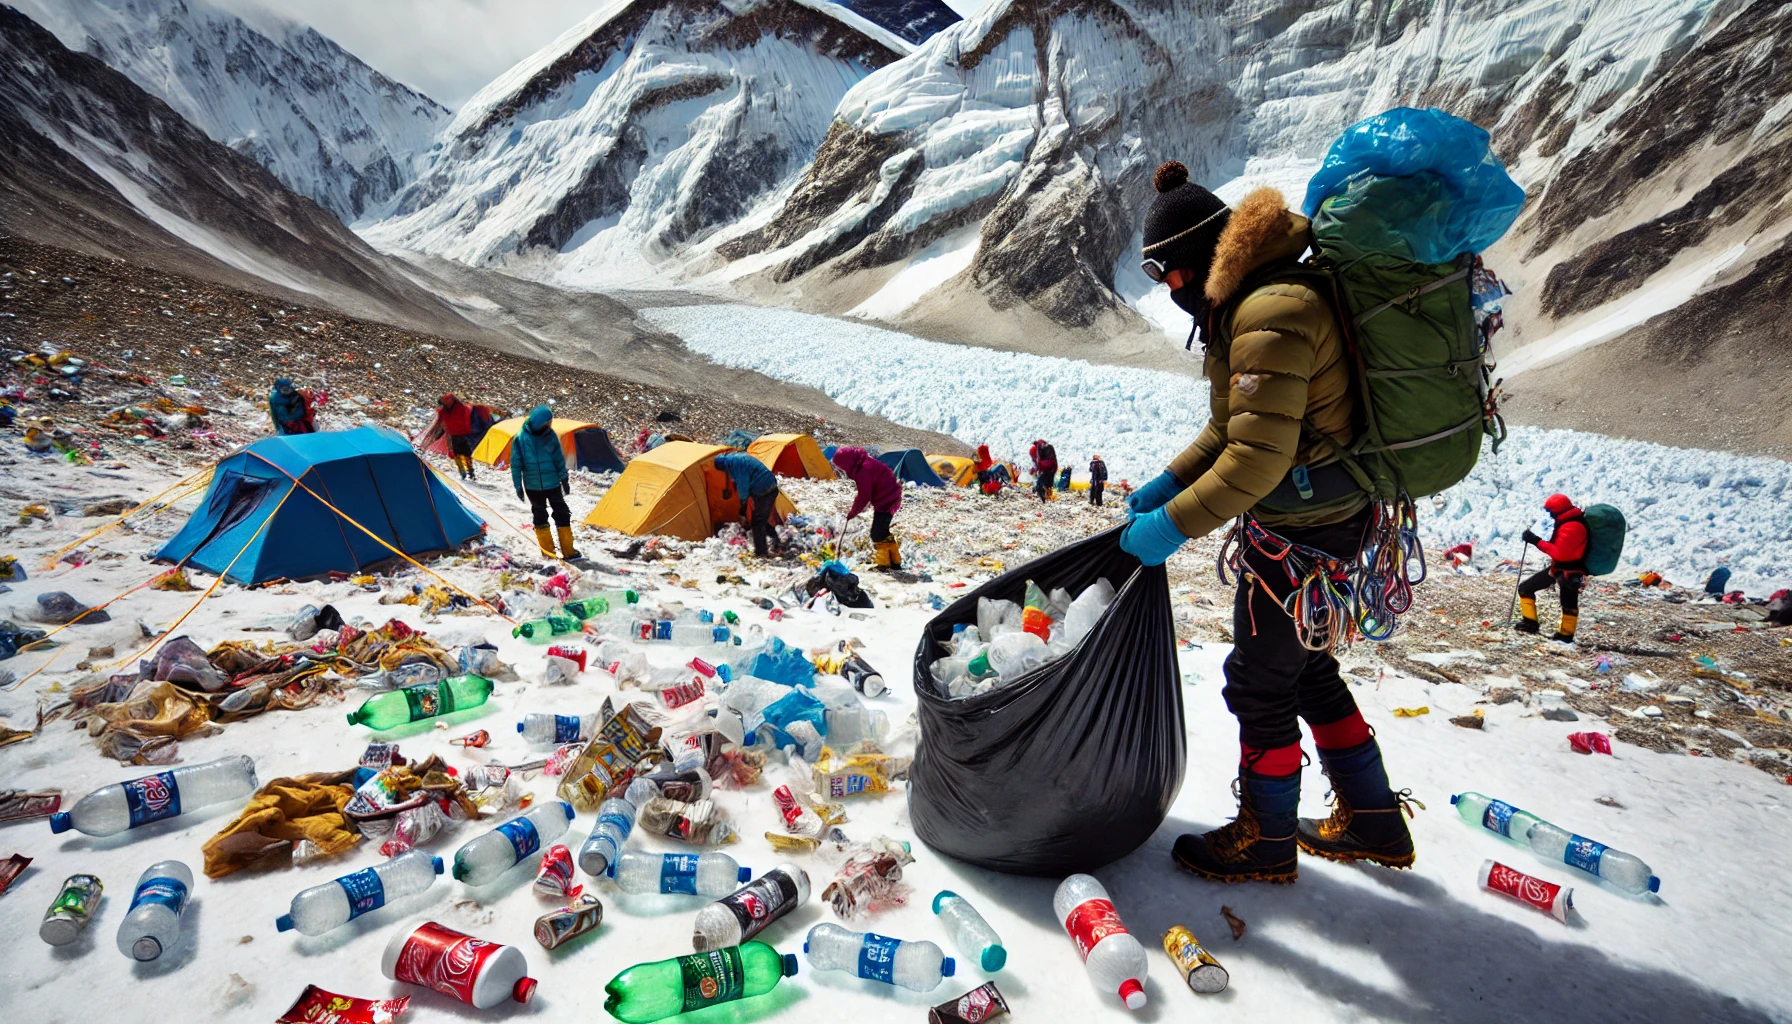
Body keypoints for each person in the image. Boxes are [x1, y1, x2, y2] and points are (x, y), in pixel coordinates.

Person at [1123, 163, 1414, 884]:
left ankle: (1266, 836)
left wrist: (1171, 527)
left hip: (1302, 537)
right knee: (1308, 669)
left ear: (1195, 261)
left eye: (1167, 273)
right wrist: (1170, 480)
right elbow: (1231, 430)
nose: (1169, 290)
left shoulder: (1269, 314)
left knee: (1258, 682)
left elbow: (1255, 461)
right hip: (1321, 523)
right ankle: (1374, 820)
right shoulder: (1253, 301)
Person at [510, 405, 579, 561]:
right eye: (546, 423)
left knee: (562, 513)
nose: (548, 425)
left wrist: (564, 478)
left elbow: (558, 459)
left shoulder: (551, 436)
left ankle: (568, 550)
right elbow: (516, 464)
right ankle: (548, 552)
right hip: (533, 486)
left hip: (552, 483)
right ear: (538, 422)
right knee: (540, 515)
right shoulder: (520, 439)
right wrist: (518, 486)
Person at [1516, 493, 1587, 643]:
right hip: (1558, 568)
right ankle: (1530, 623)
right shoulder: (1566, 522)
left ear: (1558, 510)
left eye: (1551, 511)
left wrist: (1536, 541)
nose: (1550, 515)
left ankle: (1565, 636)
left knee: (1568, 602)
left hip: (1570, 571)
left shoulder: (1572, 526)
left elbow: (1559, 552)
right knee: (1525, 588)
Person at [831, 446, 903, 570]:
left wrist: (853, 512)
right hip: (890, 495)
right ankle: (895, 561)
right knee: (883, 531)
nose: (843, 469)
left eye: (842, 467)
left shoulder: (863, 470)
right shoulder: (863, 462)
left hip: (887, 499)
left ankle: (884, 563)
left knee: (877, 533)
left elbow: (864, 496)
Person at [714, 451, 783, 558]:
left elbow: (743, 487)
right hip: (769, 486)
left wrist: (742, 506)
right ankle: (776, 541)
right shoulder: (735, 458)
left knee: (757, 522)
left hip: (764, 491)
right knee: (761, 518)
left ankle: (761, 552)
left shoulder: (737, 465)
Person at [437, 394, 478, 480]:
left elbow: (443, 423)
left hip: (457, 435)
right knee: (464, 454)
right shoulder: (459, 408)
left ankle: (465, 470)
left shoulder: (446, 411)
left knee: (459, 454)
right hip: (461, 434)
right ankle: (468, 471)